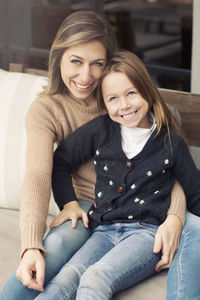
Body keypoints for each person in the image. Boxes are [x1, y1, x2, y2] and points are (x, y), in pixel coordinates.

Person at [0, 10, 198, 300]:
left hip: (146, 211)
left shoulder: (128, 105)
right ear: (59, 58)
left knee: (194, 228)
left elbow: (177, 167)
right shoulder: (51, 111)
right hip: (89, 208)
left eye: (97, 64)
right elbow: (40, 174)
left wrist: (175, 217)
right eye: (76, 62)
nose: (85, 76)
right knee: (57, 254)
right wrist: (34, 241)